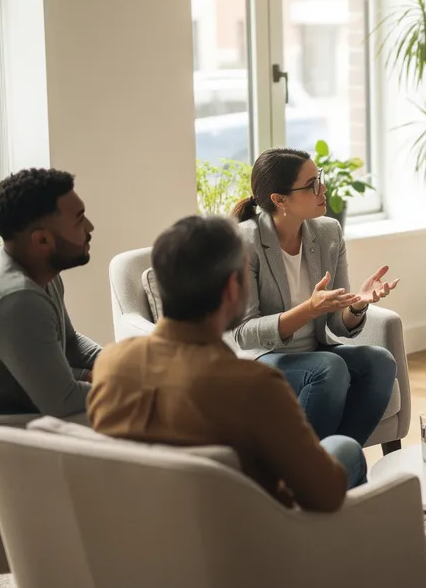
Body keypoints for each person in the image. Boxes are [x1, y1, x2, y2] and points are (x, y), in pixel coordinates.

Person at [88, 216, 360, 510]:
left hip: (144, 532)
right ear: (232, 288)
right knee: (345, 449)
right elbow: (325, 495)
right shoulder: (254, 384)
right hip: (249, 538)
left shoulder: (109, 365)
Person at [230, 148, 399, 445]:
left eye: (319, 178)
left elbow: (335, 323)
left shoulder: (328, 233)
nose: (323, 189)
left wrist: (357, 305)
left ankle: (337, 463)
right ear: (279, 200)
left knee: (380, 361)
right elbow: (244, 334)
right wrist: (308, 309)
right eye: (311, 185)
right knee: (330, 368)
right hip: (263, 360)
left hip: (315, 352)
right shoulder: (246, 241)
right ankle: (314, 472)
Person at [0, 168, 101, 416]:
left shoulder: (40, 272)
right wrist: (139, 386)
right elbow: (63, 401)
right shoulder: (17, 299)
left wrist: (121, 363)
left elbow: (71, 346)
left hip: (26, 416)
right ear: (42, 241)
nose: (90, 227)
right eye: (79, 219)